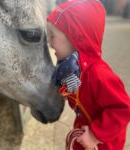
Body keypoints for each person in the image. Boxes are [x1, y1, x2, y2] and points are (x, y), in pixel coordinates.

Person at [47, 0, 130, 150]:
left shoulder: (99, 75)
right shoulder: (75, 69)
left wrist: (94, 135)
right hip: (85, 129)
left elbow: (123, 109)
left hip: (102, 141)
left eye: (52, 36)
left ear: (75, 38)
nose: (49, 43)